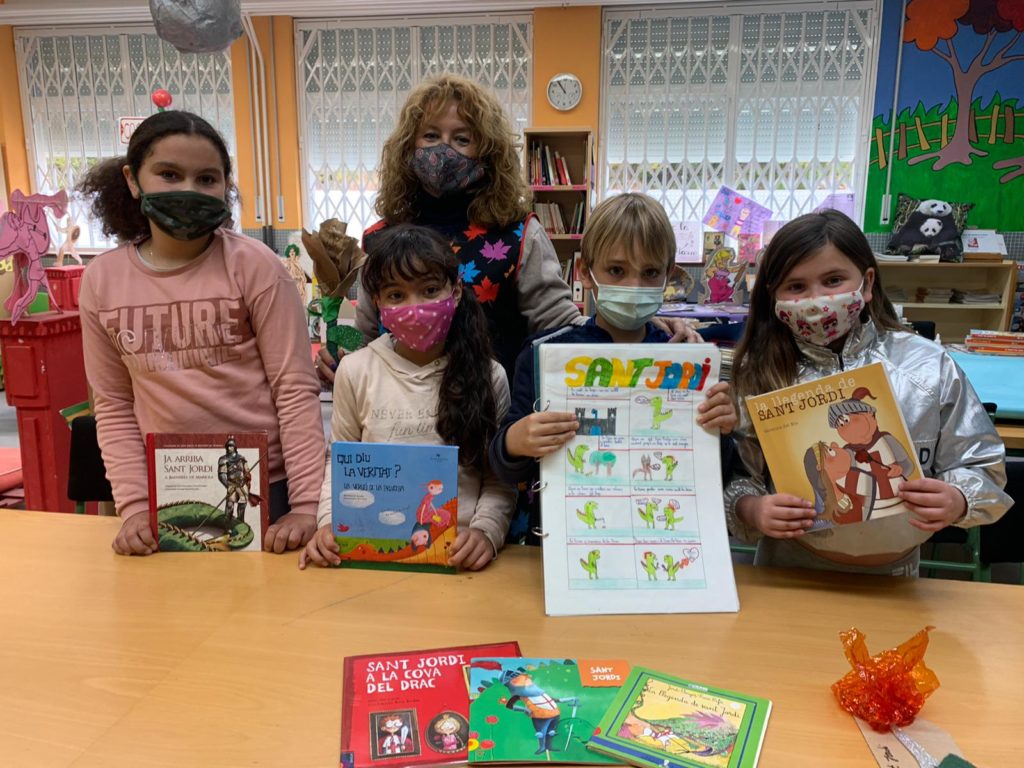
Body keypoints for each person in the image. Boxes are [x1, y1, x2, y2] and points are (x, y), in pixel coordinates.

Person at [314, 74, 697, 385]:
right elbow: (366, 331)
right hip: (395, 418)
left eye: (462, 138)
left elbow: (561, 325)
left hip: (492, 418)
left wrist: (639, 325)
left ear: (487, 151)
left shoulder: (518, 234)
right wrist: (336, 352)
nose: (444, 149)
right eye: (430, 136)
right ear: (408, 146)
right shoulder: (381, 238)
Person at [76, 110, 325, 556]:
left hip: (267, 487)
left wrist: (307, 504)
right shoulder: (102, 281)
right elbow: (113, 405)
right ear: (133, 180)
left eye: (207, 179)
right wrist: (134, 506)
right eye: (169, 174)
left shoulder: (256, 267)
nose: (189, 190)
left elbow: (294, 388)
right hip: (167, 491)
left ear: (225, 186)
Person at [724, 209, 1011, 575]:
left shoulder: (928, 366)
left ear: (867, 282)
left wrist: (958, 498)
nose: (817, 300)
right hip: (788, 569)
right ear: (773, 296)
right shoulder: (759, 373)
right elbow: (740, 476)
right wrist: (751, 509)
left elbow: (982, 464)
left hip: (895, 575)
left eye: (833, 280)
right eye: (796, 287)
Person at [488, 193, 737, 542]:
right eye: (617, 271)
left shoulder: (683, 359)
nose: (633, 287)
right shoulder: (545, 353)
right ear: (584, 272)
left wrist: (720, 431)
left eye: (650, 273)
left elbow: (716, 473)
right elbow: (504, 465)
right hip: (562, 542)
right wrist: (515, 441)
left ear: (668, 275)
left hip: (655, 536)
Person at [299, 224, 514, 571]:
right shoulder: (355, 371)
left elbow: (498, 479)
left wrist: (486, 532)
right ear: (378, 302)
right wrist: (327, 522)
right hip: (369, 553)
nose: (415, 307)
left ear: (456, 291)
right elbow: (337, 464)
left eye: (430, 290)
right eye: (396, 295)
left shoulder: (490, 376)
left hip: (458, 560)